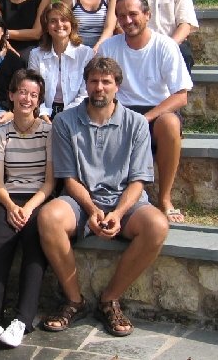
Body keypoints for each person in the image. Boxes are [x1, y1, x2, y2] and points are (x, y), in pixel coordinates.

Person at [38, 56, 168, 337]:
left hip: (126, 203)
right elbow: (68, 178)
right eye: (94, 81)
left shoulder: (136, 124)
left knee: (157, 225)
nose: (99, 87)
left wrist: (118, 214)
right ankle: (74, 300)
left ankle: (109, 299)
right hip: (81, 200)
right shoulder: (65, 122)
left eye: (106, 82)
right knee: (49, 217)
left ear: (117, 86)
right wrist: (92, 209)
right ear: (86, 84)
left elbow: (138, 180)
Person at [98, 0, 192, 222]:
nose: (127, 21)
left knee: (170, 123)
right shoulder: (109, 47)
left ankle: (165, 198)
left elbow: (181, 96)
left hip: (157, 112)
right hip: (120, 112)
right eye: (121, 16)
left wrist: (146, 118)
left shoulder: (165, 46)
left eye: (132, 14)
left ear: (147, 14)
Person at [0, 69, 55, 349]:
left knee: (35, 248)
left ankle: (22, 320)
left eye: (33, 95)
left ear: (39, 100)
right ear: (11, 95)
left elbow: (48, 183)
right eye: (22, 92)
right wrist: (10, 206)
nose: (27, 98)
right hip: (8, 198)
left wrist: (30, 208)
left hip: (38, 200)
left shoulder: (49, 132)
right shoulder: (0, 133)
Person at [28, 3, 95, 121]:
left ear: (71, 24)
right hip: (43, 114)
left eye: (64, 20)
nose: (59, 24)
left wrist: (64, 117)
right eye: (53, 21)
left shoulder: (86, 54)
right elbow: (33, 90)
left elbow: (85, 93)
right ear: (47, 27)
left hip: (77, 114)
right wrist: (43, 114)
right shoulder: (36, 55)